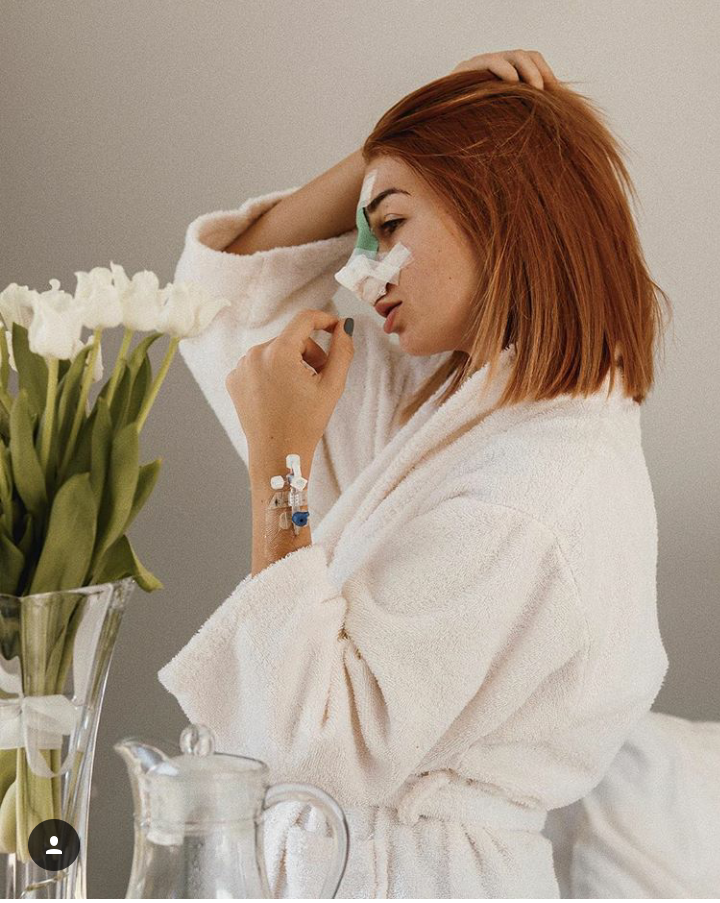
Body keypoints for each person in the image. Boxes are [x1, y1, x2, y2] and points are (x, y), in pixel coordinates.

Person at [157, 50, 672, 898]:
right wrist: (392, 148)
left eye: (390, 227)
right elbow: (224, 300)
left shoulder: (536, 489)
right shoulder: (448, 410)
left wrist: (282, 468)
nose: (361, 273)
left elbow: (316, 749)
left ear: (499, 205)